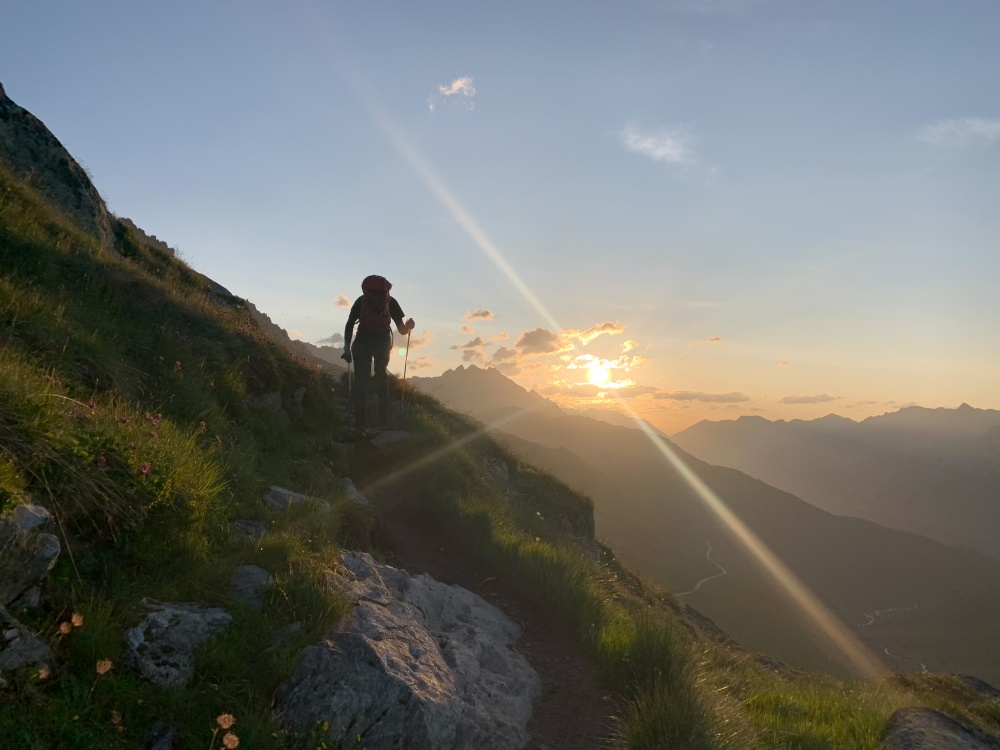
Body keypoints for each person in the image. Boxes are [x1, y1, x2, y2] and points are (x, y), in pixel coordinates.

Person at [341, 275, 415, 434]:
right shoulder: (390, 301)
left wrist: (346, 349)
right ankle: (384, 422)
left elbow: (349, 325)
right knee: (381, 377)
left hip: (362, 341)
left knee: (361, 381)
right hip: (382, 341)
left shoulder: (361, 301)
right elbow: (402, 330)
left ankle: (360, 425)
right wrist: (409, 326)